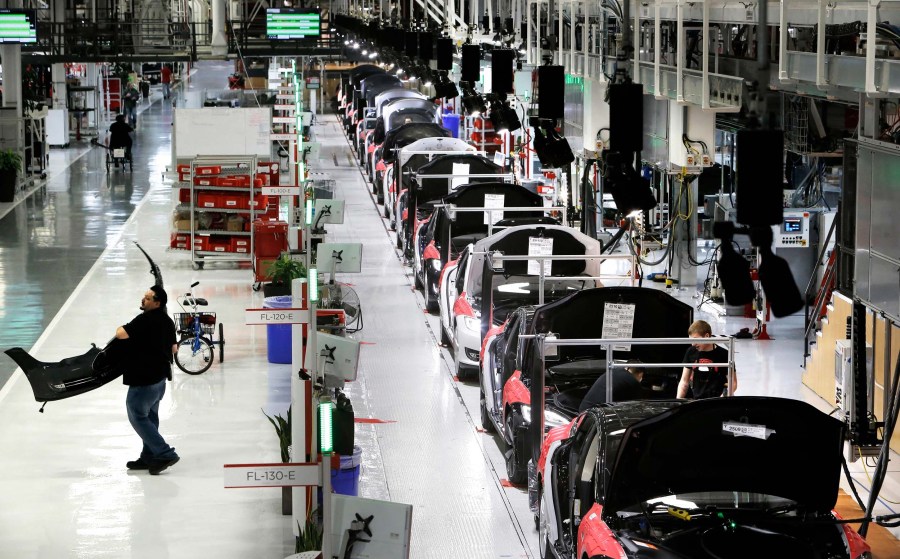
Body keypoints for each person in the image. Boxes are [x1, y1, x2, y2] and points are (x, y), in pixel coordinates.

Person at [115, 285, 180, 475]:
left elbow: (120, 334)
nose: (143, 300)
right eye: (144, 297)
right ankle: (148, 456)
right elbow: (174, 349)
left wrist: (120, 327)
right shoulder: (167, 321)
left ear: (157, 303)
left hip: (144, 379)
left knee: (137, 415)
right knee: (150, 417)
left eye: (148, 298)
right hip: (159, 380)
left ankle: (164, 452)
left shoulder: (145, 320)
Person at [677, 320, 737, 399]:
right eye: (691, 340)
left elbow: (733, 383)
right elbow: (684, 382)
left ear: (707, 336)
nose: (693, 344)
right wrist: (677, 402)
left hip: (716, 402)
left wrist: (721, 400)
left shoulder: (724, 354)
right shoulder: (690, 352)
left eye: (695, 339)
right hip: (696, 401)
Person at [578, 360, 645, 412]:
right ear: (640, 374)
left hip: (584, 410)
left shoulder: (614, 371)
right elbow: (638, 406)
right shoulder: (632, 381)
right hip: (595, 416)